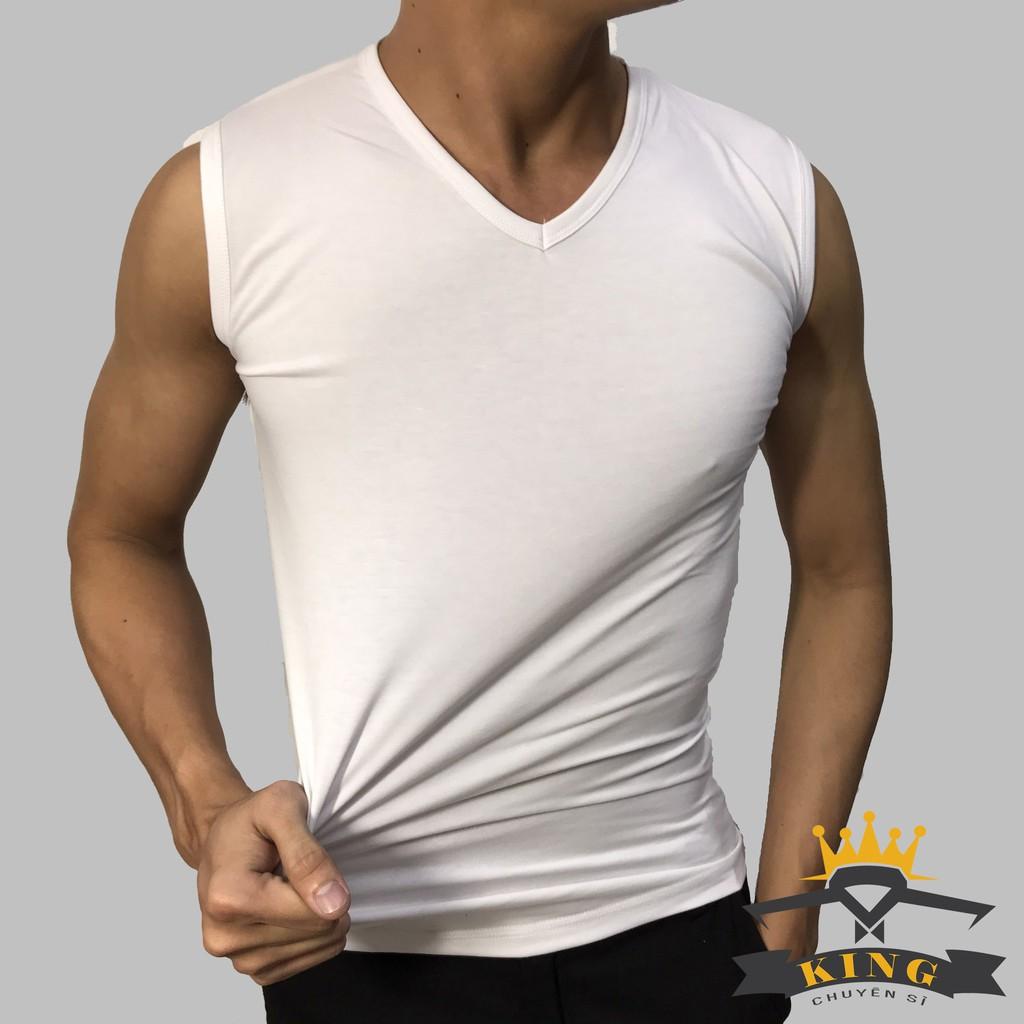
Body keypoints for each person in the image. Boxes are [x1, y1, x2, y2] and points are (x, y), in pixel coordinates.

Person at [67, 2, 891, 1021]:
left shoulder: (774, 199)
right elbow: (120, 534)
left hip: (689, 938)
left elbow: (845, 572)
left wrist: (791, 923)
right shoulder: (229, 200)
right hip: (367, 951)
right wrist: (206, 799)